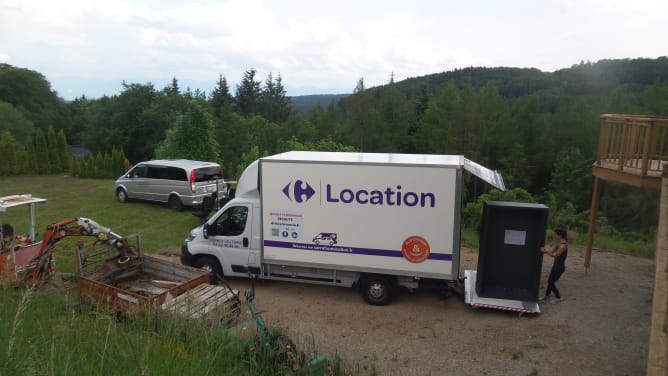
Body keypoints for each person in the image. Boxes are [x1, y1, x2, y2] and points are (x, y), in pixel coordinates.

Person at [540, 229, 568, 303]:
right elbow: (552, 251)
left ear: (560, 235)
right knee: (550, 281)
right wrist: (544, 251)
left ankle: (558, 297)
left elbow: (555, 255)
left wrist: (545, 251)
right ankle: (547, 295)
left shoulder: (563, 246)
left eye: (556, 235)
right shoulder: (558, 244)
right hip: (556, 266)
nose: (555, 236)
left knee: (551, 282)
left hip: (559, 267)